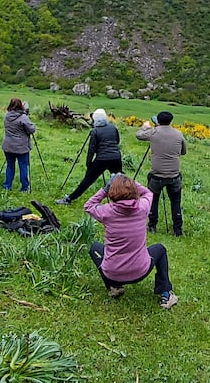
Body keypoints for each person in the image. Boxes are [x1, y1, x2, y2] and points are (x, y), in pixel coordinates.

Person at [84, 173, 178, 308]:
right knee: (160, 249)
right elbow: (148, 192)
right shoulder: (143, 208)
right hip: (140, 271)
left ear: (112, 193)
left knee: (94, 248)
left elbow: (89, 205)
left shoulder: (106, 212)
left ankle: (114, 287)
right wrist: (131, 182)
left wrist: (105, 189)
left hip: (112, 273)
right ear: (134, 192)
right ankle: (166, 294)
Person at [56, 108, 123, 205]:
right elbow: (117, 141)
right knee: (119, 179)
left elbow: (91, 150)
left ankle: (69, 199)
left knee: (88, 180)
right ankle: (123, 200)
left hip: (102, 159)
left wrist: (89, 164)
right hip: (116, 157)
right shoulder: (113, 127)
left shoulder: (95, 131)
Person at [135, 110, 187, 236]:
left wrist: (145, 127)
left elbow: (138, 135)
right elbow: (183, 152)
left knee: (153, 200)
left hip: (156, 175)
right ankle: (178, 230)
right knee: (175, 202)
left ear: (158, 121)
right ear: (171, 121)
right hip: (174, 176)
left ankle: (152, 226)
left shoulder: (154, 132)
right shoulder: (179, 134)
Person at [1, 98, 36, 192]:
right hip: (21, 147)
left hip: (8, 146)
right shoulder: (23, 117)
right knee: (23, 166)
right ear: (21, 106)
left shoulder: (7, 116)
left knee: (10, 166)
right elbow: (31, 130)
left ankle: (7, 186)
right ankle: (24, 188)